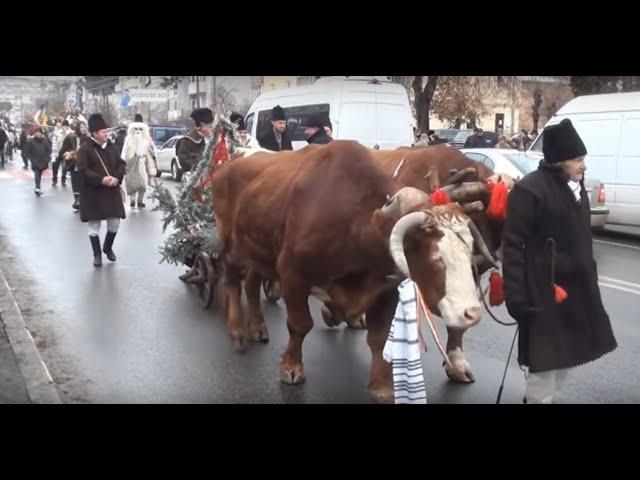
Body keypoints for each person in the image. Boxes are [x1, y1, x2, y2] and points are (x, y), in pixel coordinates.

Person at [502, 118, 618, 404]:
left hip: (576, 291)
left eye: (583, 159)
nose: (583, 166)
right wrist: (516, 297)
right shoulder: (529, 191)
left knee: (566, 357)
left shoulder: (576, 188)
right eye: (577, 159)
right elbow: (513, 247)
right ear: (559, 160)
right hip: (543, 292)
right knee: (544, 364)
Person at [76, 113, 126, 267]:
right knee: (94, 226)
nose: (107, 134)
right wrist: (101, 179)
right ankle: (97, 255)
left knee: (114, 223)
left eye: (107, 131)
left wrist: (117, 177)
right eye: (103, 132)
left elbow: (121, 165)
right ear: (95, 134)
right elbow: (83, 170)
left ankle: (107, 247)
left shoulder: (113, 147)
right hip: (93, 192)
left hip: (111, 191)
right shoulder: (85, 149)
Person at [121, 121, 155, 208]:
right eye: (136, 129)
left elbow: (152, 152)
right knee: (132, 181)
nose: (138, 131)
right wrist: (123, 161)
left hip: (143, 163)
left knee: (143, 183)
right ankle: (132, 200)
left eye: (140, 129)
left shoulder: (147, 140)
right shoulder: (128, 139)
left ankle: (140, 200)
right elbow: (124, 151)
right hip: (131, 163)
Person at [176, 107, 214, 175]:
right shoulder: (186, 142)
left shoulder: (210, 141)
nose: (212, 129)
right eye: (210, 127)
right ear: (200, 127)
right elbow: (186, 164)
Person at [62, 121, 90, 209]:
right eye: (82, 127)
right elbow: (64, 149)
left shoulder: (89, 138)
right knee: (75, 181)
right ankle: (77, 200)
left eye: (85, 127)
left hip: (86, 163)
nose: (84, 129)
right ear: (78, 128)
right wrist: (67, 153)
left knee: (85, 181)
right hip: (74, 163)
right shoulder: (71, 137)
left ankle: (84, 199)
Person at [24, 127, 51, 196]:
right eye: (36, 132)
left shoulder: (45, 141)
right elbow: (28, 152)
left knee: (39, 174)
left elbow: (49, 150)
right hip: (35, 160)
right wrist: (31, 160)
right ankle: (37, 188)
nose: (38, 134)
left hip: (43, 160)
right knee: (37, 173)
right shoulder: (31, 141)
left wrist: (47, 159)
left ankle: (38, 188)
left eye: (39, 132)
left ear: (41, 133)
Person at [51, 119, 72, 186]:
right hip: (58, 151)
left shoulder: (70, 133)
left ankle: (63, 180)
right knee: (55, 166)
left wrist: (65, 132)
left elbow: (70, 140)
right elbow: (54, 141)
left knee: (65, 167)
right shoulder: (58, 132)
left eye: (66, 126)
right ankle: (54, 179)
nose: (65, 127)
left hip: (66, 152)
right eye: (64, 126)